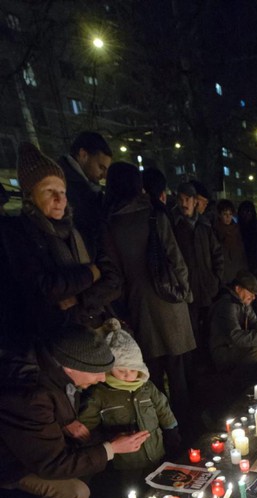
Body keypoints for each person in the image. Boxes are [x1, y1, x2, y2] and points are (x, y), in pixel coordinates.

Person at [0, 326, 149, 498]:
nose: (103, 378)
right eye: (97, 372)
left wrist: (67, 421)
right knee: (75, 494)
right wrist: (111, 448)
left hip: (37, 445)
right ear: (71, 368)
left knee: (89, 454)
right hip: (11, 462)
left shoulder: (54, 369)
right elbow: (51, 463)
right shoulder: (32, 394)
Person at [103, 163, 195, 427]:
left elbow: (114, 272)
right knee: (178, 371)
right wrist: (185, 294)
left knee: (150, 372)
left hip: (138, 303)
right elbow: (176, 260)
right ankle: (185, 427)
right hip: (169, 301)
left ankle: (159, 428)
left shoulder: (109, 224)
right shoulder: (154, 216)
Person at [1, 142, 120, 341]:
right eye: (49, 191)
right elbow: (44, 288)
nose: (59, 199)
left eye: (62, 191)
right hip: (55, 338)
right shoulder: (18, 234)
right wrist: (91, 272)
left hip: (94, 326)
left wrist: (80, 299)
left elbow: (114, 280)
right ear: (30, 196)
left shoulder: (79, 230)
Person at [80, 320, 180, 470]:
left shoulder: (146, 387)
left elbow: (162, 408)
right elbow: (87, 427)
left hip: (156, 451)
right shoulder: (100, 394)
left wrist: (171, 430)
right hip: (126, 462)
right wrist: (106, 439)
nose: (128, 375)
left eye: (133, 370)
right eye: (121, 370)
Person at [171, 182, 224, 352]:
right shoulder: (174, 225)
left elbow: (217, 253)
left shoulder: (204, 226)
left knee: (209, 328)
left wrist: (216, 279)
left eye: (188, 199)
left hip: (207, 287)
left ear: (195, 202)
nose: (184, 203)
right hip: (187, 289)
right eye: (181, 199)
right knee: (191, 331)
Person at [208, 271, 257, 375]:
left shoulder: (243, 303)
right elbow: (235, 336)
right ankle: (240, 379)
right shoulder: (227, 305)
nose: (254, 297)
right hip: (223, 349)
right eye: (250, 292)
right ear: (238, 289)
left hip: (235, 346)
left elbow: (255, 322)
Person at [57, 131, 112, 258]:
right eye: (101, 167)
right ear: (83, 155)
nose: (104, 175)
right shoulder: (64, 186)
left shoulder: (85, 186)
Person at [214, 199, 248, 284]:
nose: (228, 217)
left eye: (230, 214)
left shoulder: (236, 230)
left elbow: (241, 252)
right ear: (219, 215)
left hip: (237, 271)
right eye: (225, 214)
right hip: (223, 274)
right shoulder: (215, 231)